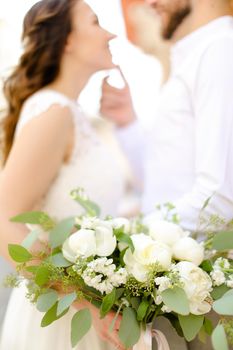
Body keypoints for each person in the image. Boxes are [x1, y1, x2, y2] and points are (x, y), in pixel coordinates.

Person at [100, 0, 233, 348]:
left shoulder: (220, 49)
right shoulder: (195, 54)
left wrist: (123, 243)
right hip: (178, 289)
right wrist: (128, 123)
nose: (149, 2)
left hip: (205, 298)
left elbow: (221, 196)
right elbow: (165, 185)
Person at [0, 0, 125, 349]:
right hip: (65, 319)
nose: (111, 33)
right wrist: (83, 302)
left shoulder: (72, 113)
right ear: (66, 40)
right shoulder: (52, 111)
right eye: (97, 22)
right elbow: (5, 219)